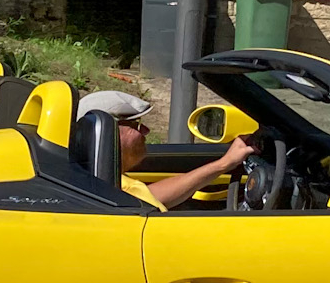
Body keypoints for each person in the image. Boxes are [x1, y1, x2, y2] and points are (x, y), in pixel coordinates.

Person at [77, 90, 253, 210]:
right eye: (135, 125)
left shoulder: (96, 178)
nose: (146, 131)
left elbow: (152, 196)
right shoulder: (112, 188)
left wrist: (224, 164)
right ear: (106, 131)